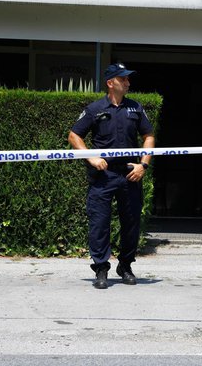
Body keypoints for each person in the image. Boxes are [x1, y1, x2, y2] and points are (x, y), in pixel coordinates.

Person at [68, 62, 155, 290]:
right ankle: (101, 269)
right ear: (110, 83)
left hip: (130, 175)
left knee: (131, 223)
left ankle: (125, 266)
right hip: (103, 177)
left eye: (128, 79)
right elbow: (74, 136)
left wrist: (143, 166)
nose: (128, 82)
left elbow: (148, 136)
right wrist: (91, 158)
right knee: (99, 224)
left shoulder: (135, 108)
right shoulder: (95, 109)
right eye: (123, 79)